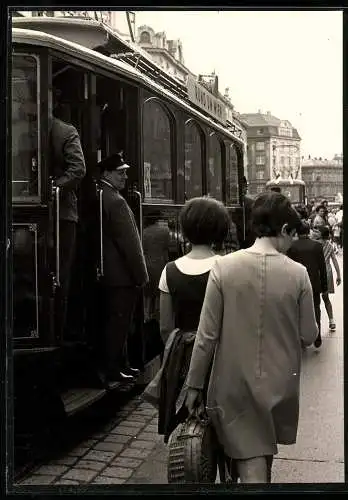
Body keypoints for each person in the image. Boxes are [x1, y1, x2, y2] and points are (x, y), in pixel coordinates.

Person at [184, 192, 318, 483]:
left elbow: (207, 336)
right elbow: (309, 335)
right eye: (291, 236)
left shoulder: (223, 267)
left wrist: (193, 385)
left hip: (232, 383)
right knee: (259, 457)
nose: (292, 244)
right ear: (283, 230)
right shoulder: (299, 275)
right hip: (280, 383)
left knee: (248, 454)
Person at [98, 152, 149, 383]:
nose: (125, 177)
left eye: (126, 172)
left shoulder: (102, 195)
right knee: (119, 323)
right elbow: (131, 243)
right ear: (107, 173)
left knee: (114, 321)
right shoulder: (117, 201)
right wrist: (141, 275)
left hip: (108, 273)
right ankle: (114, 368)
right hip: (121, 276)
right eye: (120, 173)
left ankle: (120, 365)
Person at [50, 114, 86, 340]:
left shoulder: (65, 131)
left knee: (60, 275)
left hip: (62, 214)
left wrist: (52, 189)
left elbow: (78, 169)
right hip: (58, 213)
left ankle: (59, 333)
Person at [287, 221, 328, 348]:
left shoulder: (291, 247)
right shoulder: (317, 246)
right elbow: (322, 268)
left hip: (296, 283)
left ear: (297, 232)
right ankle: (317, 336)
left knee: (297, 310)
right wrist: (324, 287)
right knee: (316, 308)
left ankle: (300, 339)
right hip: (314, 283)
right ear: (308, 231)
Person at [318, 226, 342, 332]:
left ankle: (315, 321)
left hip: (317, 272)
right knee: (326, 297)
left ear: (321, 234)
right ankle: (331, 320)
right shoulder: (330, 245)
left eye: (317, 231)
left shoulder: (316, 244)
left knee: (314, 299)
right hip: (327, 272)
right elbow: (335, 261)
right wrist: (338, 274)